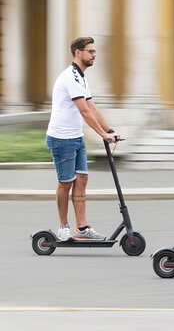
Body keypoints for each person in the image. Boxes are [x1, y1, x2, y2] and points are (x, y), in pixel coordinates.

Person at [46, 37, 120, 242]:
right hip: (61, 138)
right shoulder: (70, 77)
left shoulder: (81, 78)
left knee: (82, 180)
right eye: (90, 51)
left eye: (94, 51)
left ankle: (82, 227)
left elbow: (92, 107)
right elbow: (84, 111)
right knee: (66, 183)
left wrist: (110, 130)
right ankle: (63, 226)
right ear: (78, 52)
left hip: (76, 137)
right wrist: (102, 135)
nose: (94, 55)